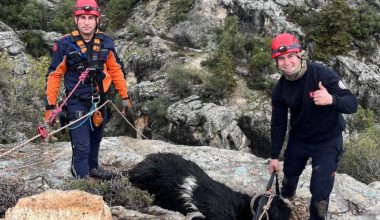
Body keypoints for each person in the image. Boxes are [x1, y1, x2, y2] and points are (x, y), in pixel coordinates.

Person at [268, 33, 357, 220]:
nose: (286, 62)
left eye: (290, 56)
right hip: (299, 138)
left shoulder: (321, 74)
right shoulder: (280, 89)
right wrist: (274, 156)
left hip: (327, 141)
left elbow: (352, 103)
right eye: (281, 59)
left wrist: (331, 99)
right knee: (289, 176)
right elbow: (278, 123)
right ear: (276, 63)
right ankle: (285, 206)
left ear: (300, 54)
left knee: (320, 191)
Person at [44, 0, 131, 179]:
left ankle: (93, 168)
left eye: (90, 18)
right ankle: (81, 180)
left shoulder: (106, 42)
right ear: (75, 20)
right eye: (82, 17)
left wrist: (124, 95)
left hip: (100, 101)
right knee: (81, 145)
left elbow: (115, 70)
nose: (86, 22)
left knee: (95, 139)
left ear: (97, 20)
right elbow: (54, 76)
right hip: (76, 102)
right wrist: (50, 107)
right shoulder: (64, 44)